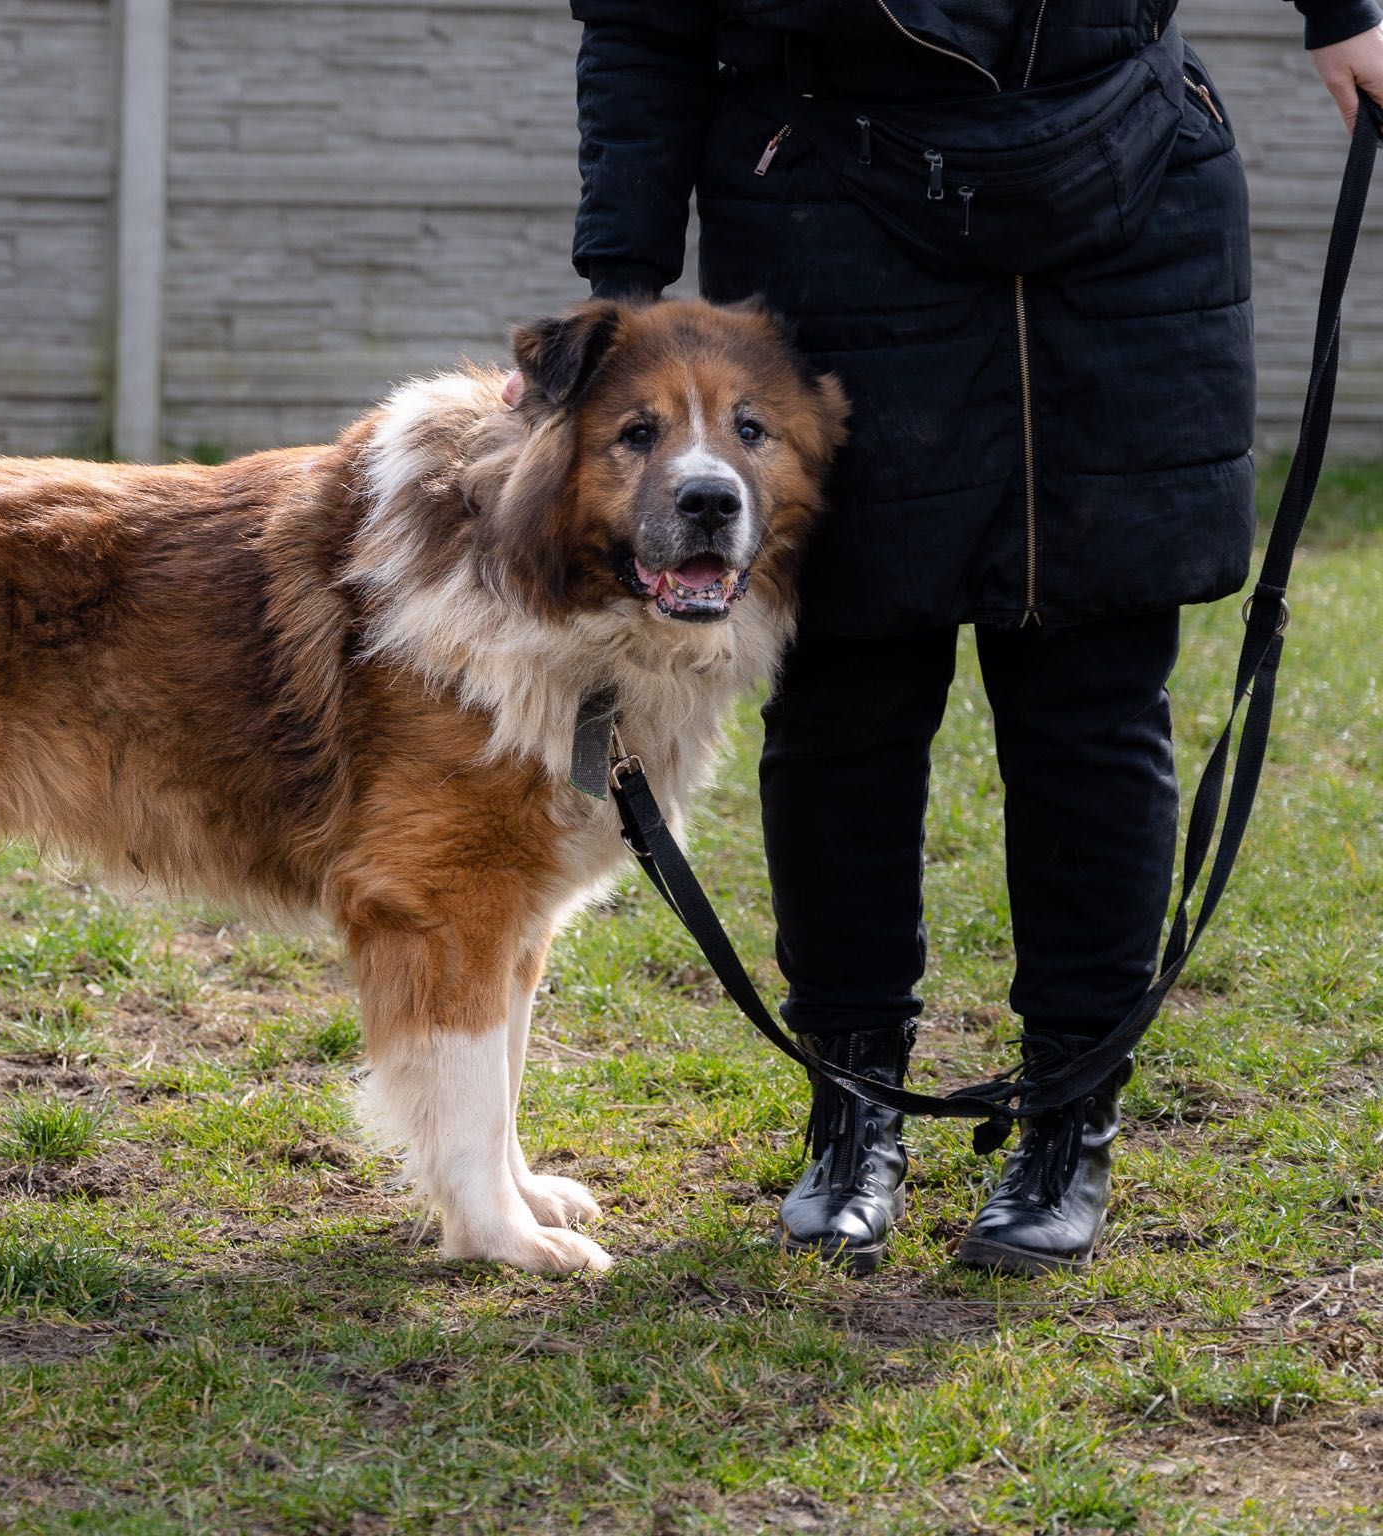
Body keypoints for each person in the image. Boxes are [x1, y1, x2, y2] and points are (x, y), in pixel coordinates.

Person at [568, 0, 1383, 1275]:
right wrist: (617, 279)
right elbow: (638, 18)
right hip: (822, 201)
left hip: (1129, 194)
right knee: (844, 703)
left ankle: (1067, 1118)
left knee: (1093, 703)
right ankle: (854, 1109)